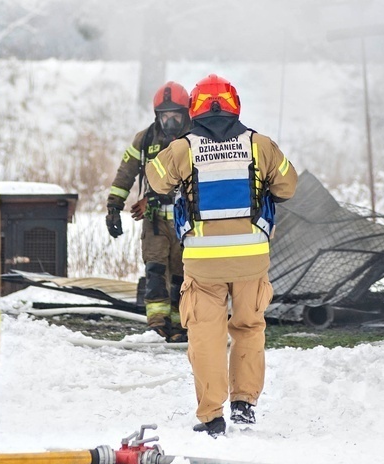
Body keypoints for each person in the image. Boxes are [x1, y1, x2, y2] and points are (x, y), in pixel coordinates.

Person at [145, 74, 296, 436]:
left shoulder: (184, 148)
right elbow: (288, 186)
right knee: (248, 328)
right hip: (251, 262)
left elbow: (155, 179)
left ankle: (212, 416)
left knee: (206, 336)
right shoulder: (260, 145)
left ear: (194, 109)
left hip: (203, 265)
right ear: (235, 105)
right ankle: (244, 403)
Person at [105, 81, 190, 341]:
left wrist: (150, 199)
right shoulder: (145, 139)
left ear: (186, 113)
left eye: (176, 114)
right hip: (154, 223)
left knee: (181, 275)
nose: (170, 120)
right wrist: (113, 207)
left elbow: (186, 182)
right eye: (165, 115)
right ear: (157, 115)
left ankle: (180, 326)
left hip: (185, 223)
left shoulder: (195, 139)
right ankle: (156, 324)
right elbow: (126, 172)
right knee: (154, 271)